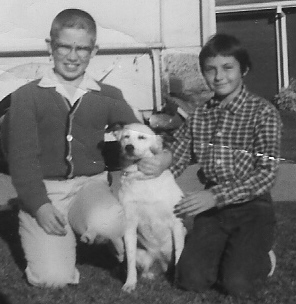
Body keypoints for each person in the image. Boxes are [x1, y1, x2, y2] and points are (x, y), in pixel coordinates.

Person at [1, 8, 171, 288]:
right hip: (45, 191)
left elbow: (143, 134)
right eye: (64, 46)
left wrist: (164, 156)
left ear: (94, 51)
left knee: (110, 221)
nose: (73, 56)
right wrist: (39, 206)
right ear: (50, 47)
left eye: (82, 48)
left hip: (89, 188)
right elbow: (21, 159)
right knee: (51, 279)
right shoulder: (27, 97)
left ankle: (101, 232)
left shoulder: (107, 96)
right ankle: (56, 234)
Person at [171, 33, 282, 297]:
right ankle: (224, 251)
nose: (219, 77)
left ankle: (264, 257)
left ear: (244, 69)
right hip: (213, 213)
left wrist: (215, 195)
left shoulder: (263, 112)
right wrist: (149, 170)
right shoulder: (199, 116)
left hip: (252, 207)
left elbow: (266, 175)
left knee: (237, 285)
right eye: (210, 70)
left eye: (227, 68)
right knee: (190, 280)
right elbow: (175, 157)